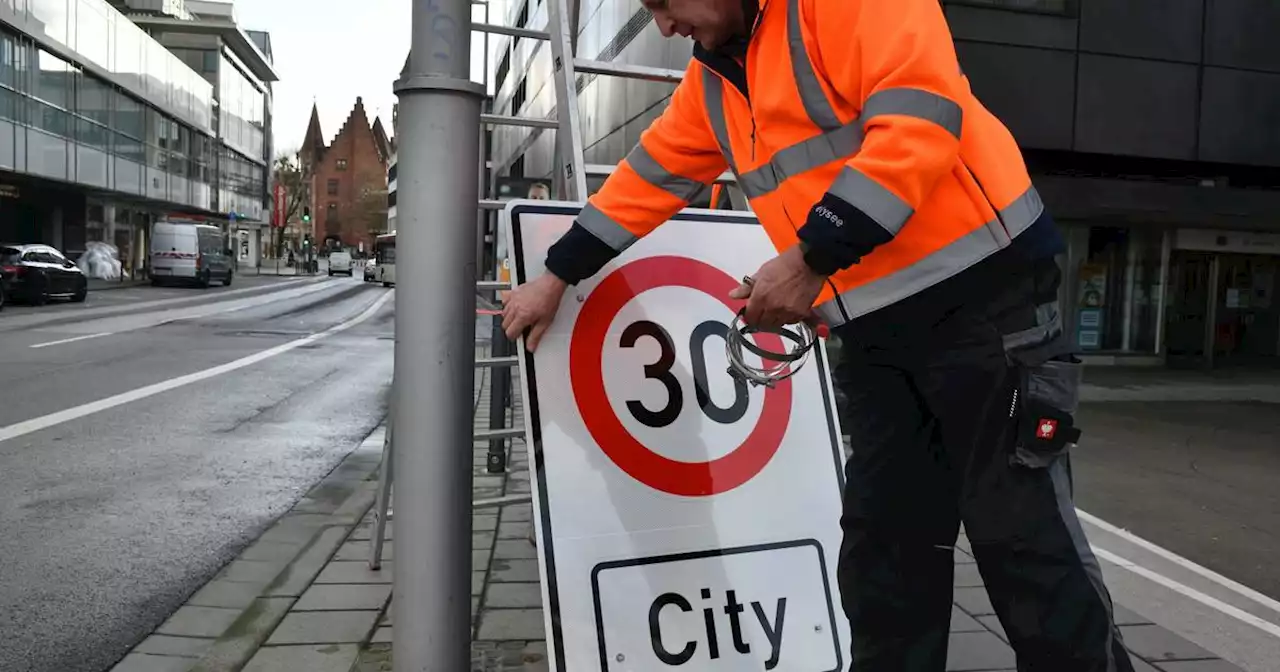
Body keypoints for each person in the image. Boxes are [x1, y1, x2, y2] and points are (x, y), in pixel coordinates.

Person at [501, 0, 1135, 669]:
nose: (663, 25)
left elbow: (919, 122)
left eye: (665, 1)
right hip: (877, 333)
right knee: (885, 554)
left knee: (1024, 544)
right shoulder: (716, 77)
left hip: (987, 301)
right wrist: (556, 274)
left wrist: (808, 262)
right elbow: (650, 177)